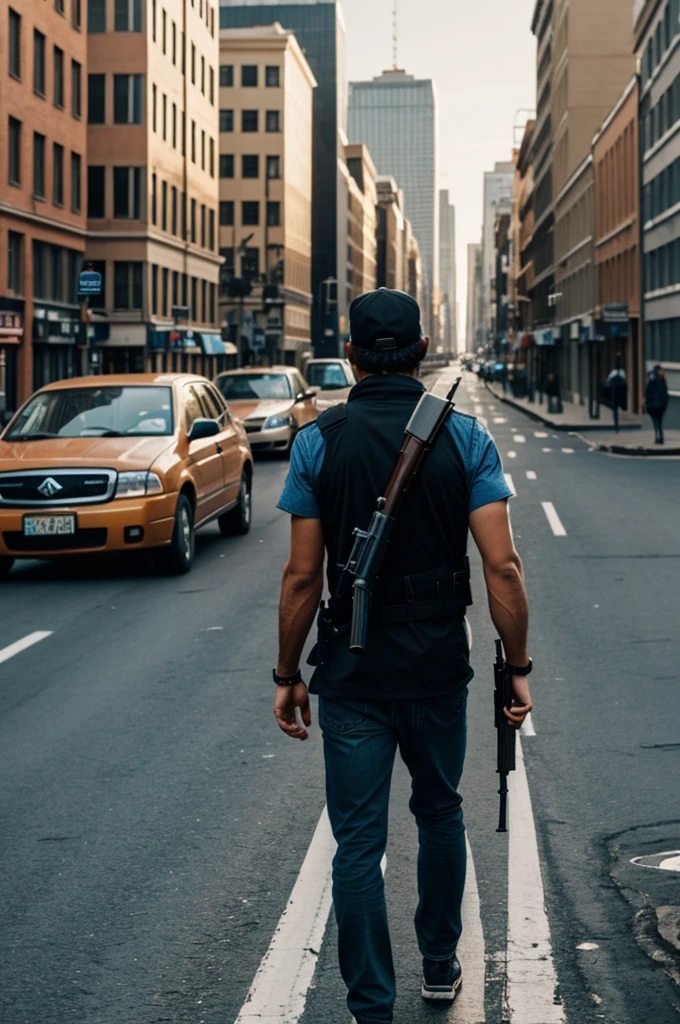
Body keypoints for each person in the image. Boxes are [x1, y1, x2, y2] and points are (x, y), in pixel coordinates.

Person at [274, 288, 533, 1024]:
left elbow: (300, 577)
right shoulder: (468, 439)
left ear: (351, 355)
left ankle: (371, 1005)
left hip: (352, 678)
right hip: (436, 671)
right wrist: (517, 667)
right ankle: (443, 966)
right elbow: (503, 569)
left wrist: (288, 675)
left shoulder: (317, 441)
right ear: (422, 350)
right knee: (441, 812)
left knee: (357, 843)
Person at [601, 354, 628, 432]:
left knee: (615, 410)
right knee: (616, 409)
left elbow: (607, 382)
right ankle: (616, 426)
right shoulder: (622, 373)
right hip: (619, 395)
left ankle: (616, 425)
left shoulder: (613, 373)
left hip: (614, 394)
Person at [645, 364, 669, 444]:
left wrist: (647, 402)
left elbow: (648, 391)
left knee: (655, 421)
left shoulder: (651, 378)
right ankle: (661, 438)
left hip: (653, 405)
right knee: (660, 422)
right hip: (661, 405)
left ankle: (656, 437)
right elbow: (665, 393)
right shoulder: (662, 379)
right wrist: (665, 404)